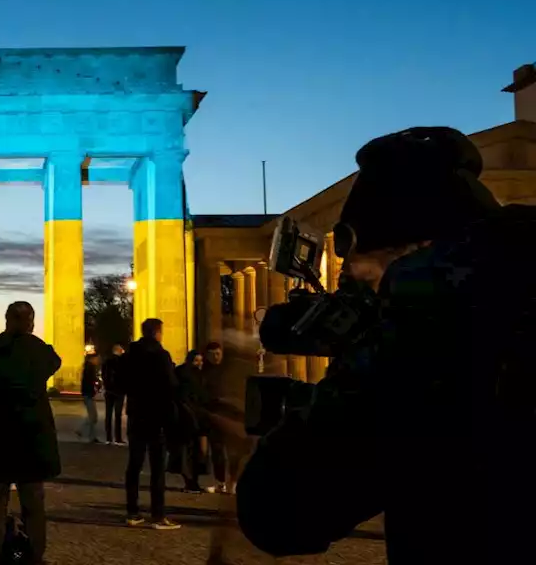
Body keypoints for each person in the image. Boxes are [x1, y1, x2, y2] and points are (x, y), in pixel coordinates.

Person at [236, 126, 533, 563]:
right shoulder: (505, 298)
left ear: (412, 252)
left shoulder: (428, 333)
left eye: (367, 280)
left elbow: (279, 513)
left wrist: (348, 378)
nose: (372, 300)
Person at [0, 301, 61, 565]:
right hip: (31, 436)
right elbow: (54, 361)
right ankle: (35, 555)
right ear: (31, 322)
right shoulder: (41, 353)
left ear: (6, 319)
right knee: (33, 502)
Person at [120, 318, 181, 530]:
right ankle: (158, 515)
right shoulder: (160, 355)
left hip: (137, 414)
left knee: (134, 465)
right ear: (157, 332)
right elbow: (171, 385)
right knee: (157, 468)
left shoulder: (130, 355)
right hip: (156, 415)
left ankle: (132, 512)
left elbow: (122, 381)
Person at [172, 350, 208, 494]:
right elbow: (182, 397)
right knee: (188, 451)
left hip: (200, 417)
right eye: (196, 360)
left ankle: (194, 481)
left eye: (201, 360)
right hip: (187, 417)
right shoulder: (184, 374)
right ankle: (190, 482)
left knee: (200, 451)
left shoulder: (201, 375)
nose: (199, 364)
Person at [201, 342, 229, 492]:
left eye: (218, 353)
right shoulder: (205, 372)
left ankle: (229, 482)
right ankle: (221, 482)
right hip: (213, 415)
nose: (217, 357)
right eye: (213, 354)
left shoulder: (227, 371)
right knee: (217, 450)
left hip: (227, 414)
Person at [101, 343, 126, 445]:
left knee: (108, 414)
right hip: (119, 391)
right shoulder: (121, 362)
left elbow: (103, 374)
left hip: (109, 391)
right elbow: (124, 376)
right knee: (118, 415)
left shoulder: (106, 361)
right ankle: (118, 438)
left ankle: (108, 438)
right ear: (119, 351)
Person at [78, 352, 102, 443]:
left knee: (93, 416)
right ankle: (86, 433)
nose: (98, 361)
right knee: (93, 416)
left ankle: (86, 433)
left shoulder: (88, 367)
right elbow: (90, 380)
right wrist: (97, 382)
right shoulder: (90, 367)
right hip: (88, 393)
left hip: (87, 393)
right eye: (97, 359)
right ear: (93, 359)